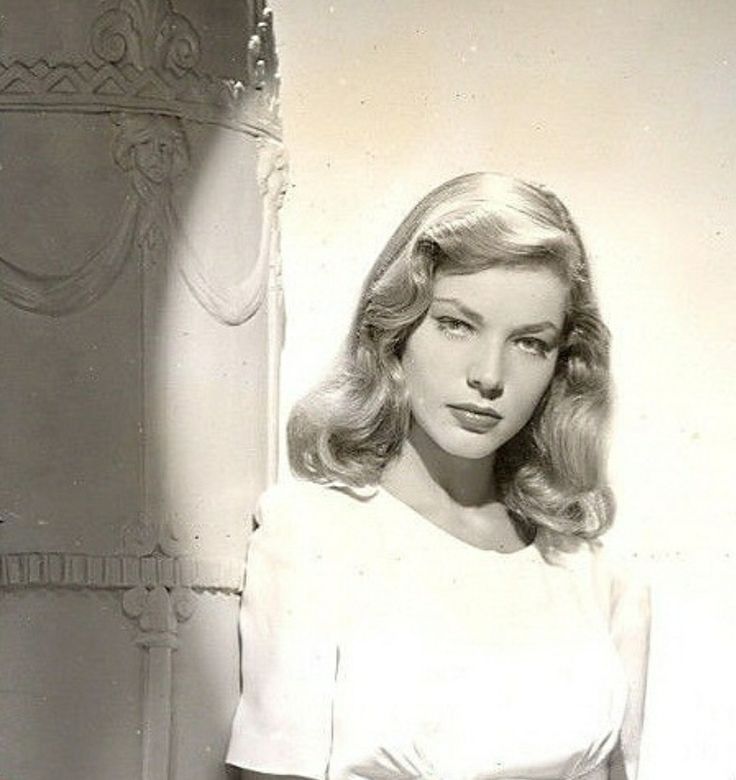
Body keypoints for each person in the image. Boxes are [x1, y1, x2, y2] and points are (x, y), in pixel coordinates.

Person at [226, 173, 651, 780]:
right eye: (457, 324)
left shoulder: (597, 579)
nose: (489, 375)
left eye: (530, 342)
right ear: (395, 330)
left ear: (563, 364)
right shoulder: (313, 534)